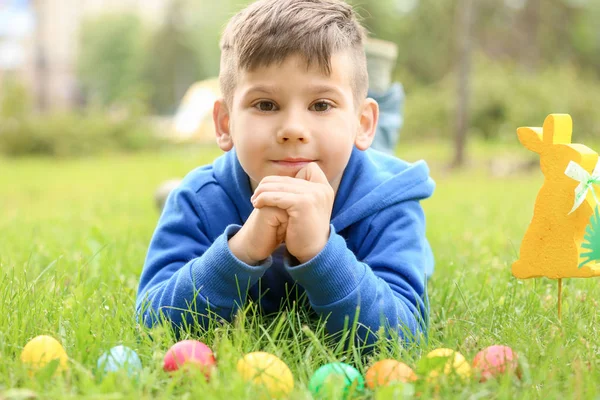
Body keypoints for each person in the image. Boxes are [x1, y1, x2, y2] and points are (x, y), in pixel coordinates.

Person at [137, 0, 435, 347]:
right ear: (224, 123)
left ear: (363, 122)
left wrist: (321, 252)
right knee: (334, 139)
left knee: (374, 147)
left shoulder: (390, 203)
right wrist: (240, 250)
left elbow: (404, 337)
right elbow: (152, 323)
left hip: (363, 164)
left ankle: (376, 88)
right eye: (266, 104)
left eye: (320, 104)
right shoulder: (198, 199)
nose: (292, 129)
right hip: (328, 149)